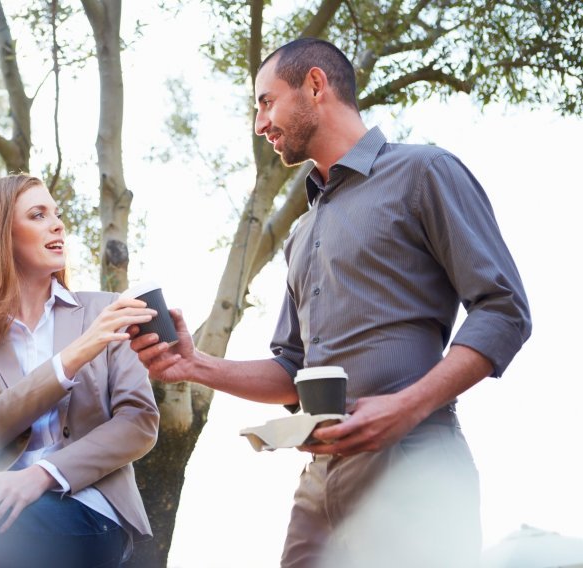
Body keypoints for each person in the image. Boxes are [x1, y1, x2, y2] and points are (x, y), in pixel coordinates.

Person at [130, 38, 531, 568]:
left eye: (266, 101)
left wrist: (406, 407)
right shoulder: (301, 233)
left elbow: (504, 309)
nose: (259, 123)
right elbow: (291, 371)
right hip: (318, 484)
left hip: (415, 462)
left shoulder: (424, 172)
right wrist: (195, 365)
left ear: (315, 85)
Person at [0, 173, 160, 567]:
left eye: (57, 214)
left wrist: (44, 474)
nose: (58, 224)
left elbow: (140, 422)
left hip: (93, 510)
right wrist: (70, 359)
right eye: (38, 215)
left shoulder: (107, 311)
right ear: (1, 235)